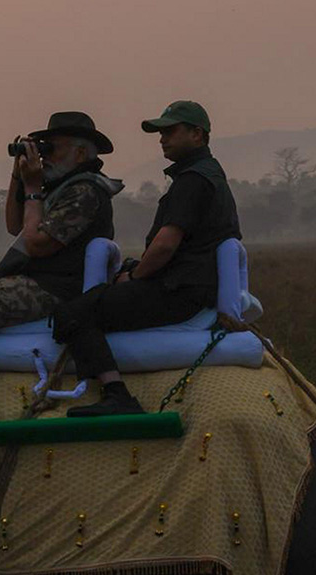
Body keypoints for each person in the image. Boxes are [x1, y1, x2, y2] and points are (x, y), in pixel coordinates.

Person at [0, 112, 124, 426]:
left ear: (80, 152)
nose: (45, 156)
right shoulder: (62, 186)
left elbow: (35, 244)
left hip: (57, 288)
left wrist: (33, 187)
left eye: (53, 148)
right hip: (40, 281)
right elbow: (13, 225)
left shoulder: (86, 192)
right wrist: (19, 177)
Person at [55, 100, 242, 416]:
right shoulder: (206, 174)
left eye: (170, 131)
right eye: (161, 132)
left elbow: (165, 245)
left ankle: (116, 395)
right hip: (189, 286)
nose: (162, 138)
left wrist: (136, 275)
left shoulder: (193, 179)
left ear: (198, 134)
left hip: (179, 290)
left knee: (75, 312)